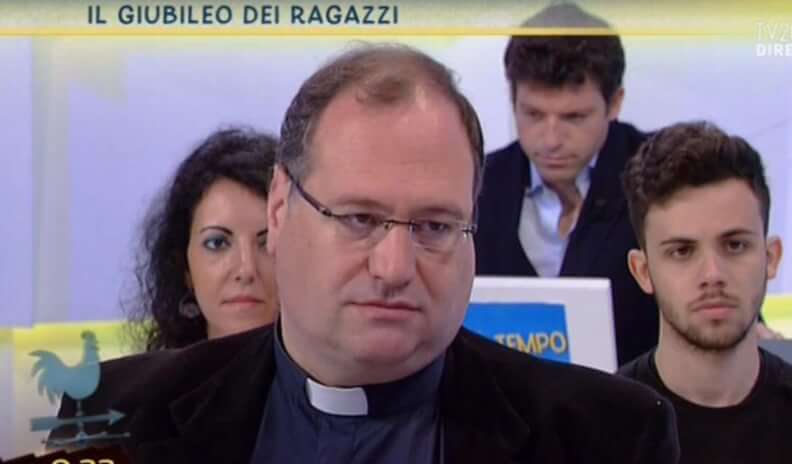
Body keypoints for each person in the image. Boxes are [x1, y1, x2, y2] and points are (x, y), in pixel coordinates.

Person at [55, 44, 679, 463]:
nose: (395, 268)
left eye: (435, 226)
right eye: (358, 219)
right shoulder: (117, 412)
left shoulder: (609, 437)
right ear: (281, 207)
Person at [618, 121, 792, 463]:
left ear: (771, 258)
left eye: (735, 245)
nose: (712, 275)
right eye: (682, 251)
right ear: (642, 271)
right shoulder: (597, 433)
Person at [473, 3, 659, 365]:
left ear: (615, 103)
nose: (550, 140)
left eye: (574, 117)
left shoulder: (664, 178)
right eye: (533, 114)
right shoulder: (477, 185)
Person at [128, 128, 279, 350]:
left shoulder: (331, 370)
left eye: (267, 242)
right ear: (184, 268)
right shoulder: (151, 374)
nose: (246, 270)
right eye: (217, 243)